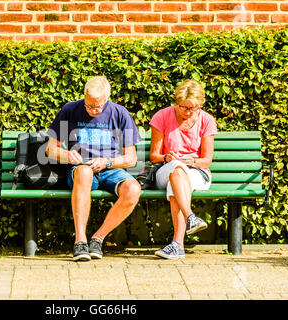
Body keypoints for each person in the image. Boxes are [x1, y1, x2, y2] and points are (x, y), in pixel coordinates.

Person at [46, 76, 141, 261]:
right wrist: (67, 155)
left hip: (110, 168)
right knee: (84, 171)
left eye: (98, 106)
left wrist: (108, 162)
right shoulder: (70, 110)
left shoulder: (120, 114)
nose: (93, 110)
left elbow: (131, 158)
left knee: (133, 189)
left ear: (107, 99)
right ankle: (80, 241)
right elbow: (50, 149)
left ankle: (97, 239)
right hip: (81, 168)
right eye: (89, 105)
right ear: (84, 96)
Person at [149, 79, 217, 259]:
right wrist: (167, 158)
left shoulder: (207, 120)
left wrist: (191, 161)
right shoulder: (162, 116)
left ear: (200, 105)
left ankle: (177, 245)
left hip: (197, 171)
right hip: (166, 169)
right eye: (183, 107)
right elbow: (154, 156)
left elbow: (206, 160)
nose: (187, 112)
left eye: (192, 108)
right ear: (176, 102)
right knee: (176, 170)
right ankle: (190, 218)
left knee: (178, 179)